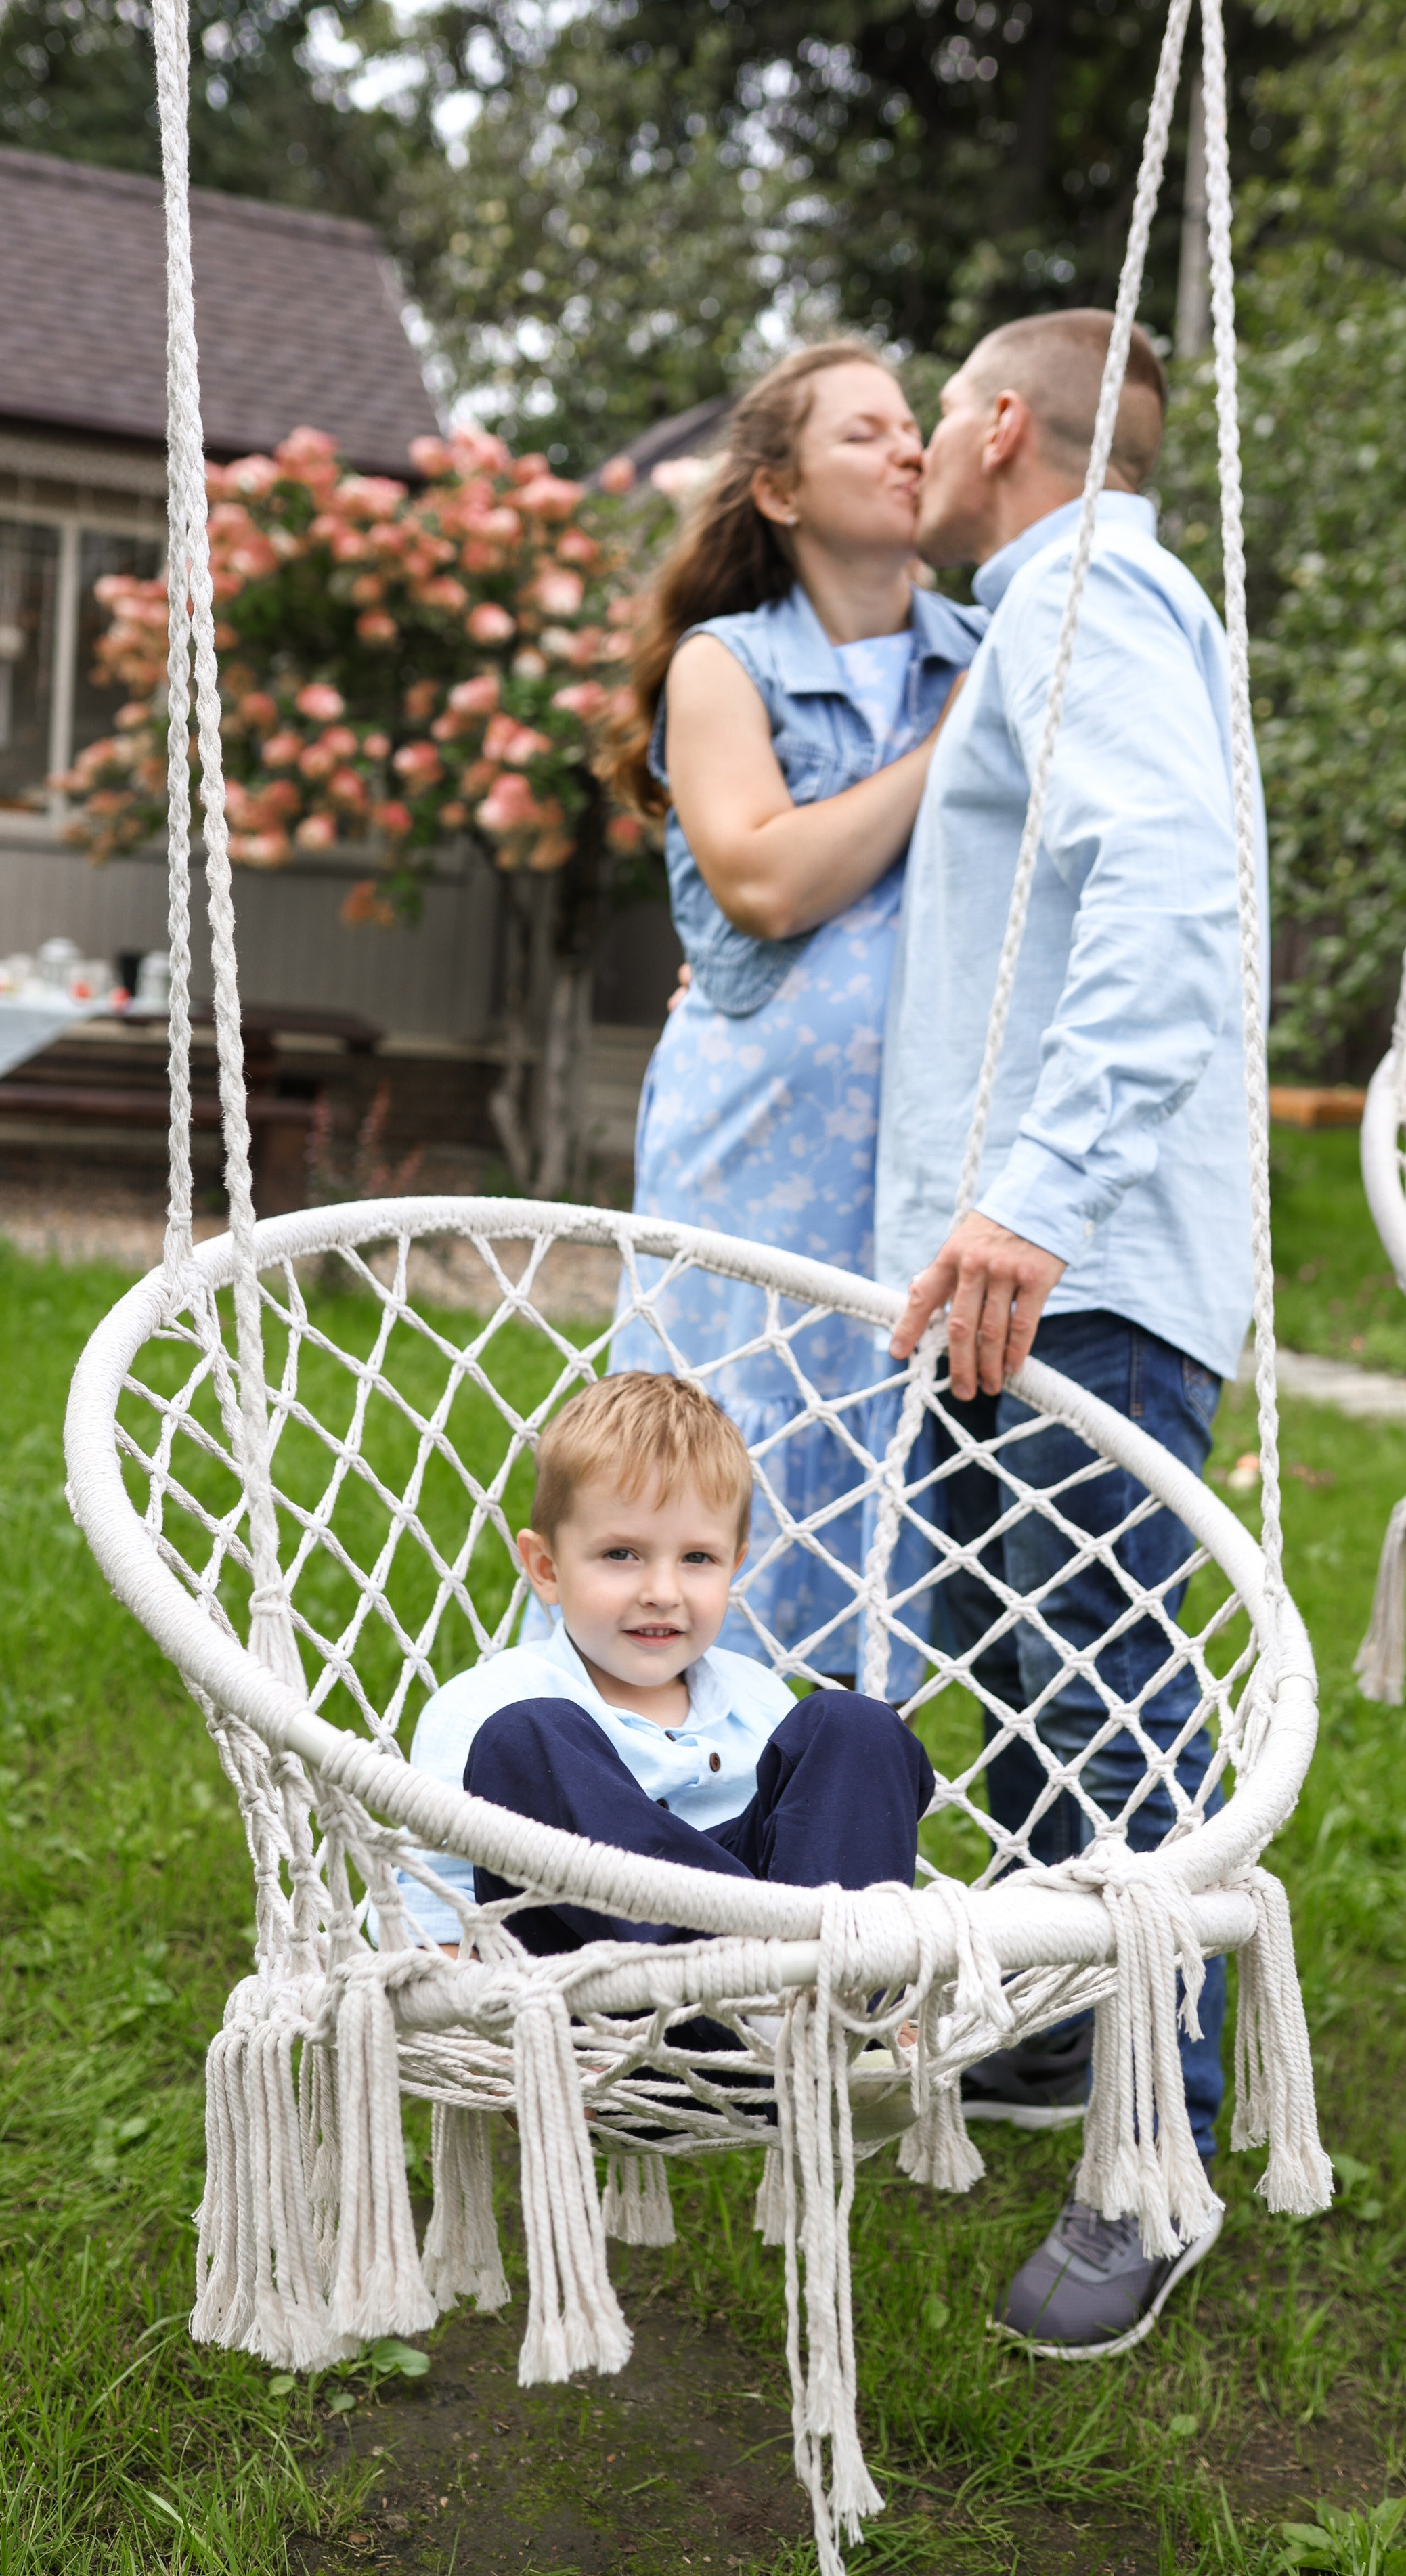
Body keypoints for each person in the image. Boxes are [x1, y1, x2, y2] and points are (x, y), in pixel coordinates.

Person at [876, 309, 1268, 2356]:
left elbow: (1170, 891)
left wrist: (1035, 1191)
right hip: (1018, 1259)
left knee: (1102, 1693)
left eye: (939, 410)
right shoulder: (1062, 605)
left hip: (1074, 1254)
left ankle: (1159, 2137)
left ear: (1005, 425)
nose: (926, 444)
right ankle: (1051, 2026)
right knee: (1020, 1669)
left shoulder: (1080, 584)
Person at [602, 343, 983, 1690]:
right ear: (775, 489)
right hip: (751, 1147)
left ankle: (814, 1844)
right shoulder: (726, 664)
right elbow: (762, 880)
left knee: (870, 1478)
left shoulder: (984, 651)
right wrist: (946, 754)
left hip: (926, 1152)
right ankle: (618, 1823)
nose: (907, 449)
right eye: (862, 435)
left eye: (910, 428)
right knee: (702, 1469)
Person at [397, 1373, 933, 1971]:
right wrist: (465, 2021)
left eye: (697, 1559)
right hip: (588, 1994)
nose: (662, 1592)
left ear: (734, 1566)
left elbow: (828, 1837)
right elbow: (434, 1903)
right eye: (621, 1555)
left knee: (858, 1723)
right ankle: (749, 1973)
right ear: (545, 1567)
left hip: (792, 1995)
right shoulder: (484, 1704)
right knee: (523, 1738)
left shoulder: (760, 1700)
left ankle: (847, 1978)